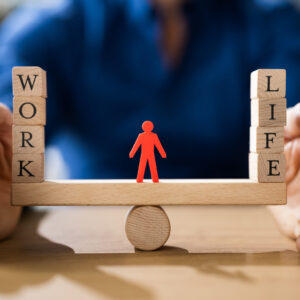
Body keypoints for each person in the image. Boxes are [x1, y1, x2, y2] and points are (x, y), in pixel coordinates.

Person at [0, 0, 300, 249]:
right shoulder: (45, 30)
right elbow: (14, 132)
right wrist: (9, 186)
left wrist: (290, 168)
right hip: (88, 231)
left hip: (244, 232)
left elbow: (288, 123)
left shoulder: (274, 22)